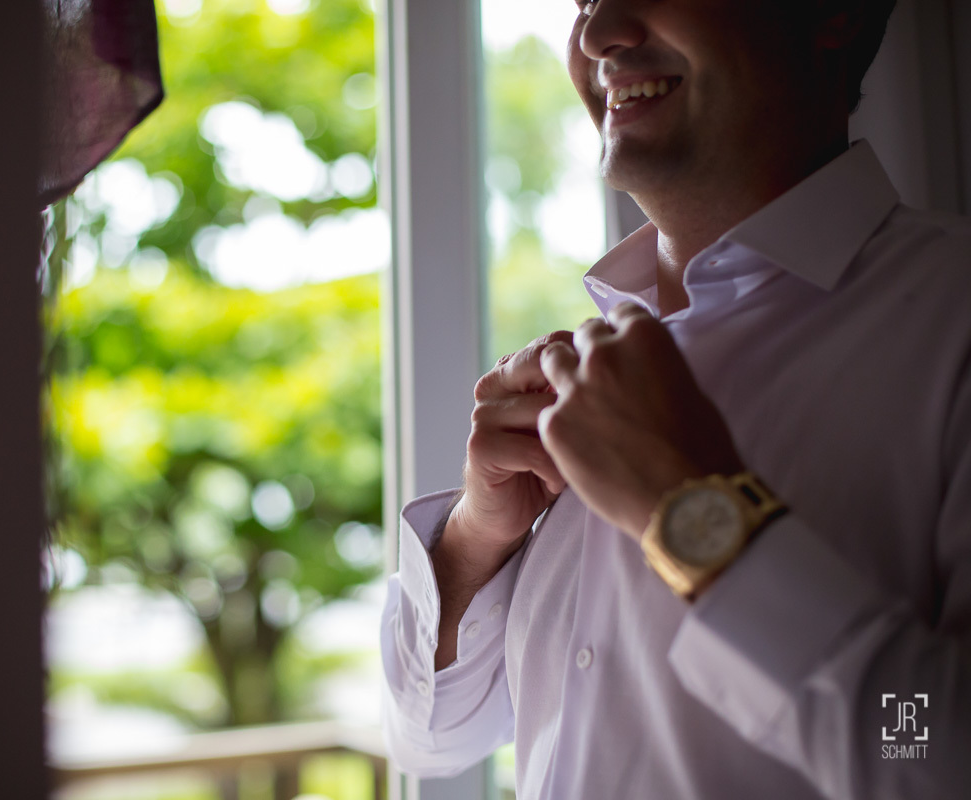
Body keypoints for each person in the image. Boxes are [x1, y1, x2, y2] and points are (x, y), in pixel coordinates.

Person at [380, 1, 971, 798]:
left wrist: (693, 513)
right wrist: (475, 541)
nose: (595, 35)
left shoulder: (954, 321)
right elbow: (430, 735)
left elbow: (933, 748)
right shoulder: (589, 383)